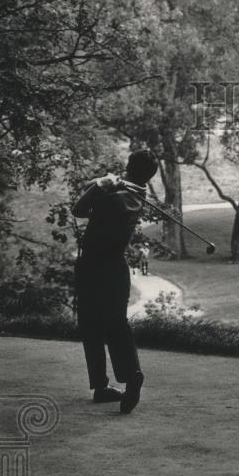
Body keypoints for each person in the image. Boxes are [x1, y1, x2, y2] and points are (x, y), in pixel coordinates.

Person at [71, 150, 159, 414]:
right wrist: (106, 184)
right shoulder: (135, 194)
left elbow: (79, 209)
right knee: (107, 324)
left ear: (129, 166)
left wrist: (100, 184)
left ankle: (126, 377)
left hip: (95, 266)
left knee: (98, 325)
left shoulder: (117, 198)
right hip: (113, 267)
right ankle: (106, 385)